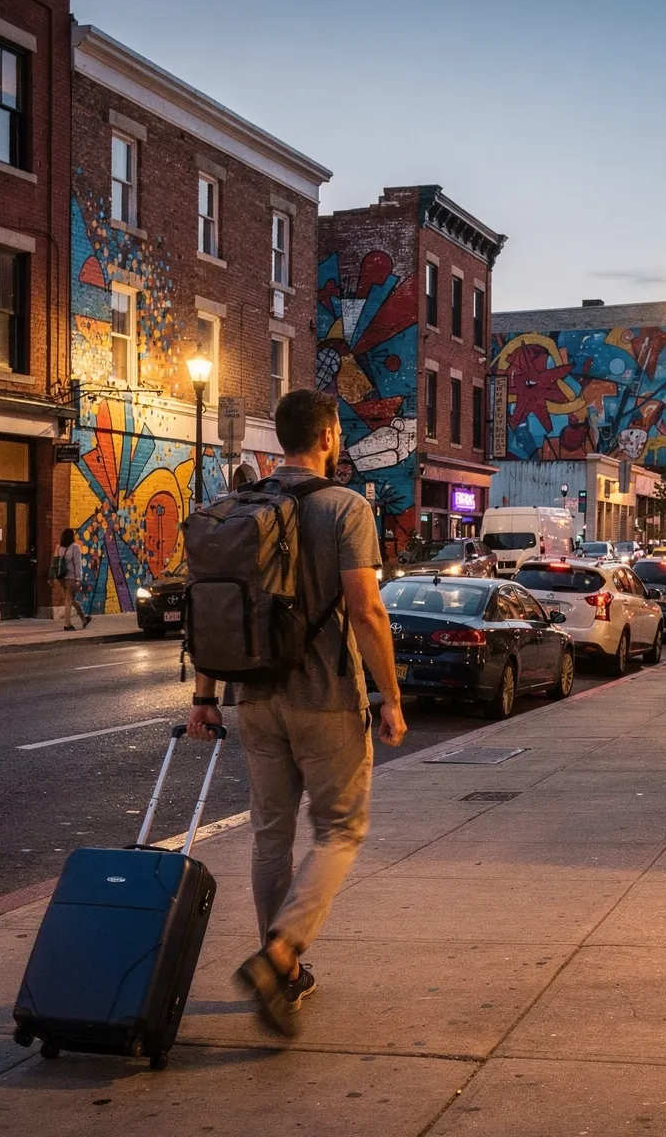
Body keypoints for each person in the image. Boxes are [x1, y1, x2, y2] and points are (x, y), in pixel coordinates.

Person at [187, 389, 407, 1038]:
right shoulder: (346, 507)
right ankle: (281, 953)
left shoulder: (240, 506)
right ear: (329, 436)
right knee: (341, 829)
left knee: (270, 835)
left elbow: (216, 607)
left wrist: (205, 697)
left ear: (281, 438)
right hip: (326, 698)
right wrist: (391, 697)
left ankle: (278, 975)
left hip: (254, 696)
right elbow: (366, 610)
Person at [54, 528, 89, 630]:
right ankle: (67, 624)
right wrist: (79, 578)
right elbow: (77, 563)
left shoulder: (58, 548)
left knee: (71, 599)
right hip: (71, 577)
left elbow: (55, 562)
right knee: (69, 600)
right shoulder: (75, 547)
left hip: (61, 578)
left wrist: (53, 577)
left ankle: (84, 619)